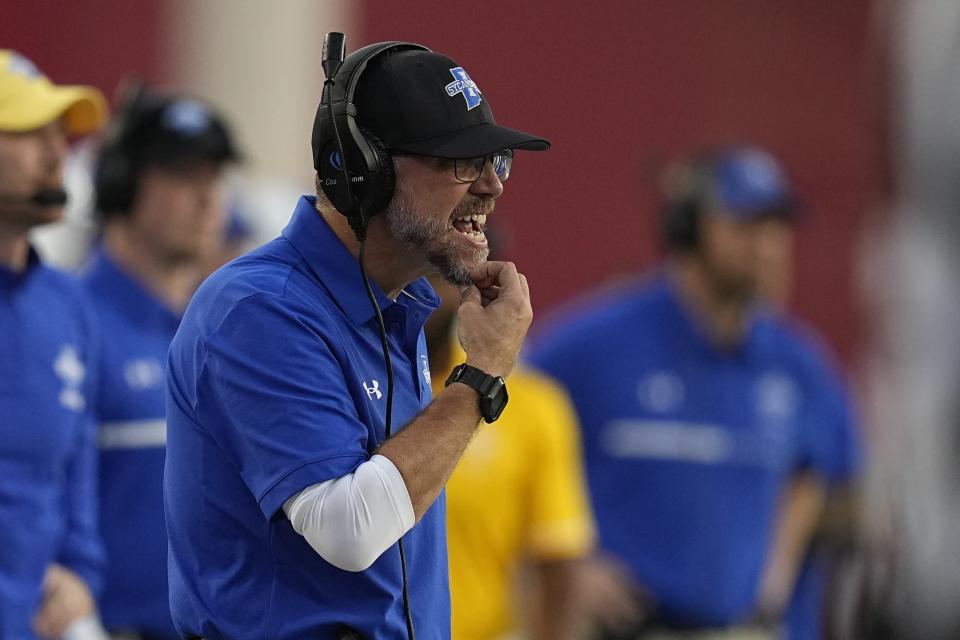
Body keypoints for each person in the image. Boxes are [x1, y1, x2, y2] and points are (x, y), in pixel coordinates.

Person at [164, 38, 548, 639]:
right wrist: (481, 376)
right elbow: (348, 530)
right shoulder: (260, 310)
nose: (491, 188)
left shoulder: (398, 306)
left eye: (495, 161)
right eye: (461, 163)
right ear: (364, 168)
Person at [528, 146, 862, 639]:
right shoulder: (592, 346)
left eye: (778, 227)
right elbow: (501, 445)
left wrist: (779, 568)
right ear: (687, 228)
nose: (770, 245)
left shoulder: (798, 364)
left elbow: (833, 483)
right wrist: (568, 565)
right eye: (747, 225)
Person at [81, 85, 240, 639]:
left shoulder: (227, 336)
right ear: (120, 183)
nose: (207, 198)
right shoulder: (71, 326)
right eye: (181, 177)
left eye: (214, 177)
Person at [0, 50, 108, 639]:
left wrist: (80, 573)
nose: (56, 152)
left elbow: (75, 467)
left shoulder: (66, 304)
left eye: (58, 133)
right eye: (27, 132)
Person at [425, 270, 595, 640]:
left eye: (428, 278)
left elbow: (558, 558)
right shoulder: (343, 382)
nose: (409, 295)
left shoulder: (531, 406)